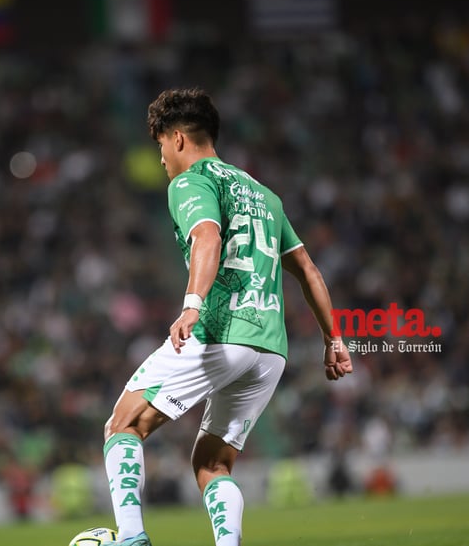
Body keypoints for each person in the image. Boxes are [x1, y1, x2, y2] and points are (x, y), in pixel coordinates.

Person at [101, 87, 353, 546]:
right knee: (212, 464)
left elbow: (207, 239)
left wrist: (192, 305)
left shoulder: (191, 180)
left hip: (221, 330)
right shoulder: (264, 195)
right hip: (270, 349)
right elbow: (309, 271)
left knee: (124, 424)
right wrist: (333, 339)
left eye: (159, 146)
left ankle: (132, 538)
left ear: (177, 139)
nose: (160, 160)